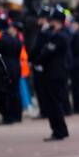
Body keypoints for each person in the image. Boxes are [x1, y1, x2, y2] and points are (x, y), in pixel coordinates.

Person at [31, 8, 71, 141]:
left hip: (54, 73)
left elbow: (46, 52)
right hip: (56, 72)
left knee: (54, 103)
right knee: (54, 102)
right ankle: (60, 130)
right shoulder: (59, 34)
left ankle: (58, 130)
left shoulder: (60, 36)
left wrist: (36, 61)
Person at [0, 18, 24, 123]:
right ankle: (18, 115)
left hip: (6, 68)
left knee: (6, 92)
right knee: (16, 92)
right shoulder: (18, 41)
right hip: (16, 68)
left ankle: (8, 117)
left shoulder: (2, 40)